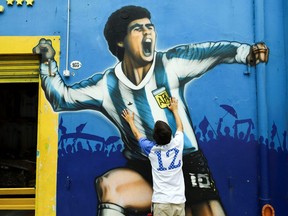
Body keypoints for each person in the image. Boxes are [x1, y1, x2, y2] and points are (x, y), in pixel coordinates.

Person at [32, 5, 269, 216]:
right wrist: (47, 63)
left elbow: (212, 52)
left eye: (150, 27)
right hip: (145, 166)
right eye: (138, 28)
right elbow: (63, 98)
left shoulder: (171, 64)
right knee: (109, 185)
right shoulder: (106, 86)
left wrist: (245, 53)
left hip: (186, 162)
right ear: (120, 41)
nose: (148, 32)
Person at [122, 97, 185, 216]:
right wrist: (175, 110)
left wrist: (130, 121)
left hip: (161, 202)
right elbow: (180, 128)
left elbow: (137, 135)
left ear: (154, 138)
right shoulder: (178, 144)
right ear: (170, 134)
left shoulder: (151, 149)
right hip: (178, 201)